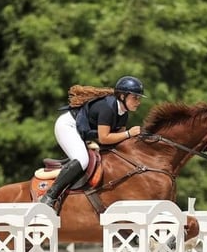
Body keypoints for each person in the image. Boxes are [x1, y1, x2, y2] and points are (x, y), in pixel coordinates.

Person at [39, 75, 146, 208]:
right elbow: (104, 138)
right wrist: (129, 133)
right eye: (135, 97)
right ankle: (49, 196)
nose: (138, 101)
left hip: (83, 131)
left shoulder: (123, 113)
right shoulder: (107, 108)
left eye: (139, 98)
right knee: (82, 159)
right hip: (68, 126)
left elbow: (117, 138)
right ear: (123, 96)